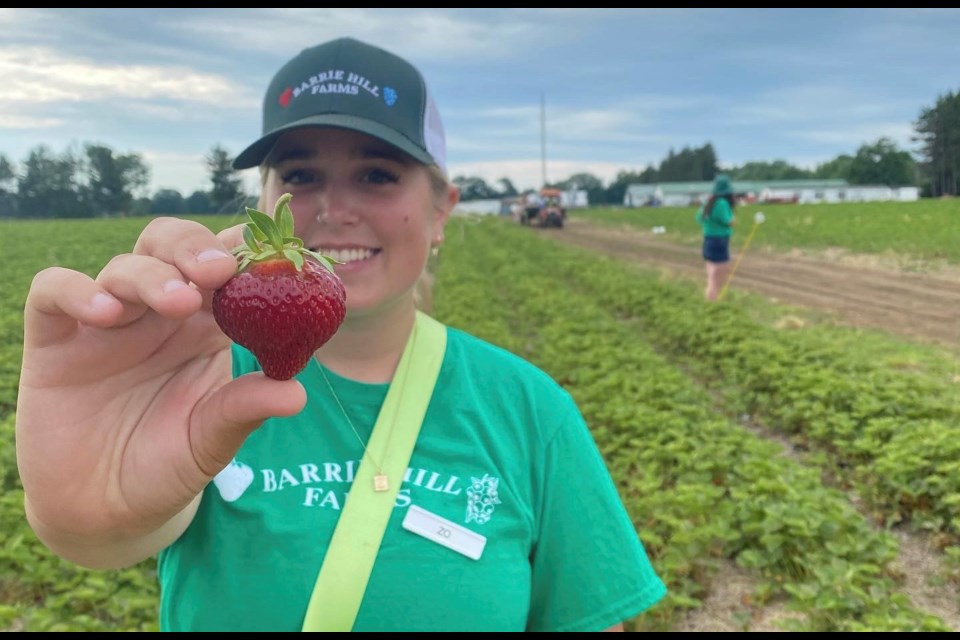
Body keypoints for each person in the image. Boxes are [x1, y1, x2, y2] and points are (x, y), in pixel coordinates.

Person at [15, 36, 666, 632]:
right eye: (299, 175)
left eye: (377, 174)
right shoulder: (196, 393)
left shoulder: (530, 412)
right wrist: (88, 516)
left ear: (443, 208)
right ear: (263, 200)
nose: (331, 208)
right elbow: (113, 532)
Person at [695, 174, 737, 301]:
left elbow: (698, 218)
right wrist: (733, 219)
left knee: (711, 274)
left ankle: (710, 300)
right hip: (720, 241)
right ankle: (713, 304)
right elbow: (728, 221)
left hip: (708, 239)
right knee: (719, 275)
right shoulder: (723, 203)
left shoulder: (709, 201)